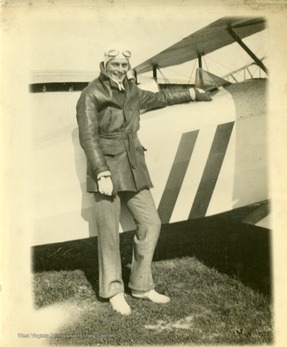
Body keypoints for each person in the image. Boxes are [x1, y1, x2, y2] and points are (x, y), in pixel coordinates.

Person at [76, 46, 212, 315]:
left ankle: (141, 286)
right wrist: (101, 172)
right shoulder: (91, 93)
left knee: (151, 222)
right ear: (104, 66)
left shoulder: (132, 90)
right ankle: (113, 290)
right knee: (108, 233)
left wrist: (192, 93)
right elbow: (88, 136)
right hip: (106, 167)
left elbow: (160, 97)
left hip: (133, 164)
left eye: (124, 65)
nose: (119, 69)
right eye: (114, 65)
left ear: (128, 67)